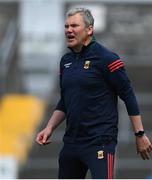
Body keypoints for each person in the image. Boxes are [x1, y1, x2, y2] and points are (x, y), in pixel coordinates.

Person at [36, 7, 152, 179]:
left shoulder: (107, 58)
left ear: (89, 29)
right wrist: (49, 127)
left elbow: (128, 95)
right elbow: (65, 100)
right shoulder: (65, 61)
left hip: (99, 142)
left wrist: (140, 134)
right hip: (71, 143)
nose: (68, 30)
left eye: (74, 26)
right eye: (66, 26)